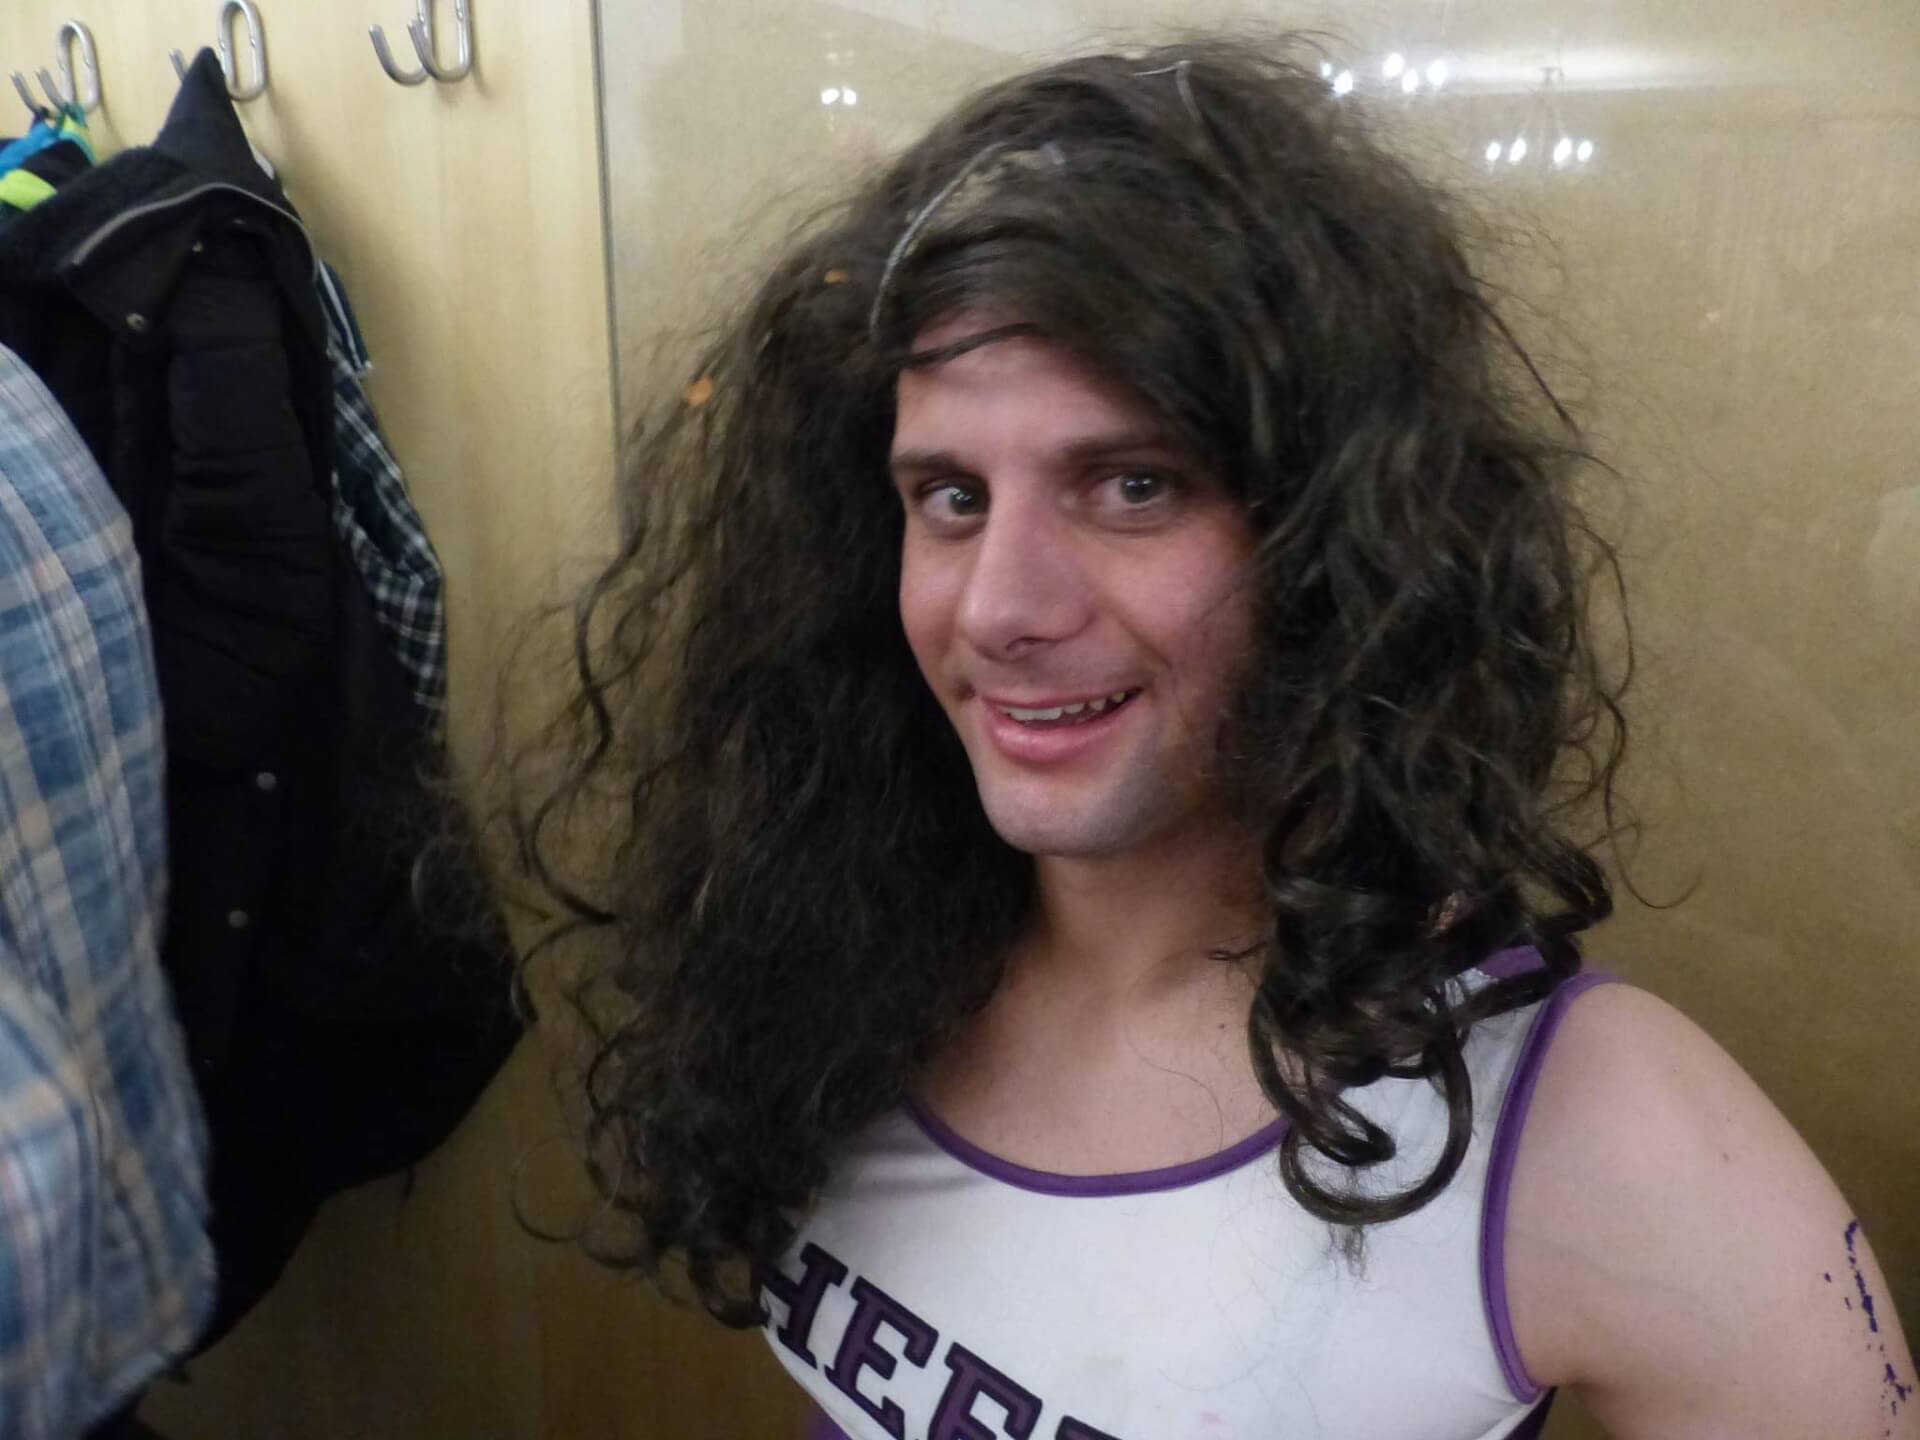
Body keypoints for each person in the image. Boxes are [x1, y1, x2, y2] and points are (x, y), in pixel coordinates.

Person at [511, 35, 1917, 1440]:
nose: (998, 608)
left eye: (1132, 485)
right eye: (950, 497)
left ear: (1343, 545)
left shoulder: (1600, 1139)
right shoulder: (848, 957)